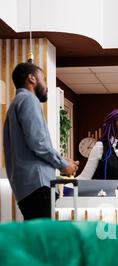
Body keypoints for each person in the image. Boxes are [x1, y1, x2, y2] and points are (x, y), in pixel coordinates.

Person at [3, 62, 78, 220]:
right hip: (38, 185)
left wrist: (62, 160)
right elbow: (38, 144)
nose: (47, 86)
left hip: (25, 187)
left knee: (35, 239)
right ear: (31, 78)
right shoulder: (29, 100)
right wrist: (64, 165)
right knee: (43, 241)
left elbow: (30, 145)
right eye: (43, 79)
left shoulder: (14, 105)